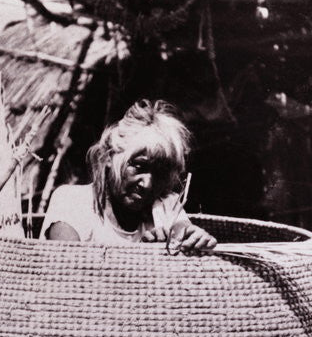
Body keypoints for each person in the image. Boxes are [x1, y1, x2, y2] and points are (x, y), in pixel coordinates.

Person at [40, 100, 217, 252]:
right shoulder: (72, 201)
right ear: (109, 156)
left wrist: (194, 240)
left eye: (160, 173)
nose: (147, 184)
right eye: (138, 167)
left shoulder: (166, 207)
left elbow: (182, 232)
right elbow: (66, 269)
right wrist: (144, 259)